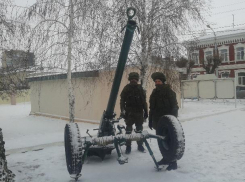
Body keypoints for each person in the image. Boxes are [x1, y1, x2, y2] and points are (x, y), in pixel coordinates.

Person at [148, 72, 179, 170]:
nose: (157, 83)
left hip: (167, 122)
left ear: (163, 82)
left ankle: (173, 162)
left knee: (170, 141)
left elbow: (174, 107)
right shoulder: (154, 92)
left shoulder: (169, 92)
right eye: (156, 81)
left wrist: (172, 121)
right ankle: (165, 158)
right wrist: (150, 120)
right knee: (161, 142)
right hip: (158, 122)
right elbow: (152, 108)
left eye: (159, 81)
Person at [120, 72, 148, 154]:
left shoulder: (140, 89)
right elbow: (122, 101)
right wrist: (123, 111)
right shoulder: (126, 88)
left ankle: (140, 145)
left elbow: (144, 101)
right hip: (129, 113)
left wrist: (146, 112)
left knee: (139, 130)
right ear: (129, 79)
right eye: (132, 79)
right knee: (128, 130)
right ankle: (128, 147)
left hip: (139, 112)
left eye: (135, 79)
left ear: (137, 80)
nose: (133, 80)